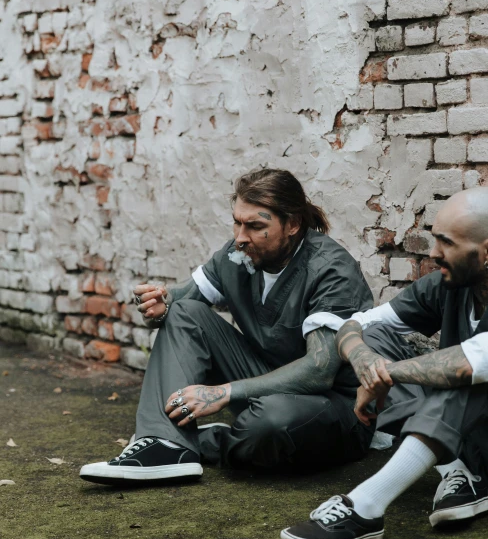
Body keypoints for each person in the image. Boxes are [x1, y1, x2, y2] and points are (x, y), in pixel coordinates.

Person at [80, 168, 374, 484]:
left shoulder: (331, 270)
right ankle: (163, 444)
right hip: (265, 382)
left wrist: (223, 392)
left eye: (255, 226)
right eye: (237, 221)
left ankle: (209, 441)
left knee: (270, 424)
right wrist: (159, 302)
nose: (240, 236)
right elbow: (181, 298)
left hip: (332, 410)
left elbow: (319, 371)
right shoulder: (239, 255)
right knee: (184, 313)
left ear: (292, 224)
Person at [281, 186, 488, 539]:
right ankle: (458, 473)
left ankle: (366, 508)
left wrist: (387, 376)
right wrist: (367, 363)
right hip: (477, 446)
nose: (434, 253)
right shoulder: (452, 283)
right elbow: (354, 326)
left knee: (465, 370)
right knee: (380, 338)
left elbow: (469, 363)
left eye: (446, 242)